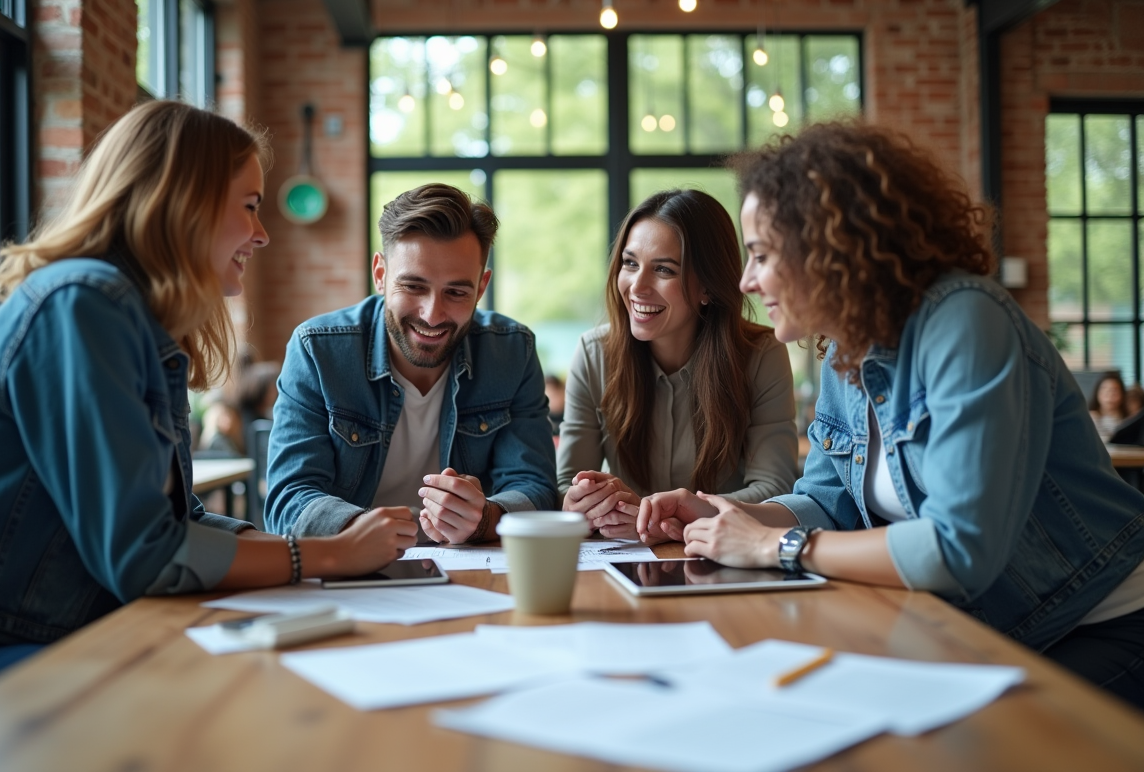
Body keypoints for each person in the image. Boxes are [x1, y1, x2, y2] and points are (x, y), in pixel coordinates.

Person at [638, 123, 1144, 708]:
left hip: (1096, 620)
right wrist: (730, 512)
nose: (747, 280)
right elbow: (831, 501)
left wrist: (775, 546)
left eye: (761, 255)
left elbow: (958, 551)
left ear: (828, 247)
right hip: (984, 626)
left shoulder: (967, 322)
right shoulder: (844, 350)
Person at [0, 102, 418, 700]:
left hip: (55, 631)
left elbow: (175, 522)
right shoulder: (82, 305)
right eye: (249, 206)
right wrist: (326, 556)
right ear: (184, 203)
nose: (262, 233)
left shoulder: (125, 317)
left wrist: (343, 550)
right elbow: (147, 557)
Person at [265, 183, 556, 545]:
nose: (432, 314)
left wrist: (485, 519)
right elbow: (287, 502)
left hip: (470, 568)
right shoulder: (318, 351)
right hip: (351, 570)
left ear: (481, 288)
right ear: (380, 274)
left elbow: (536, 487)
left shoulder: (513, 351)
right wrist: (365, 530)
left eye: (456, 292)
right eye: (414, 287)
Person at [558, 190, 797, 540]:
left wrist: (676, 518)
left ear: (708, 287)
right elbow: (566, 486)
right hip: (621, 557)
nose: (637, 287)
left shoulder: (761, 355)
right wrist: (585, 501)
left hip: (725, 560)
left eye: (664, 270)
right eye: (630, 263)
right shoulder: (594, 354)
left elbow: (775, 490)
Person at [1089, 371, 1129, 441]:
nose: (1109, 395)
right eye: (1105, 390)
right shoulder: (1088, 419)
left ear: (1122, 394)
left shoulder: (1128, 422)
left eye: (1114, 391)